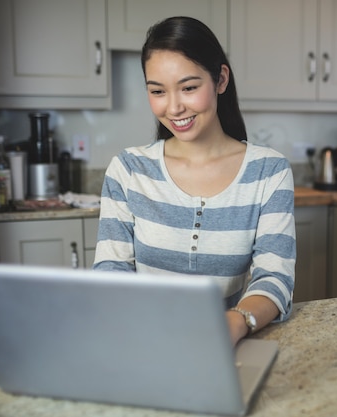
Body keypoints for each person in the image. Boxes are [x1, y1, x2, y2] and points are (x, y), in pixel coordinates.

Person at [93, 16, 296, 346]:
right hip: (141, 341)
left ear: (220, 79)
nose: (174, 107)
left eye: (189, 88)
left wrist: (237, 322)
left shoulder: (268, 171)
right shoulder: (128, 170)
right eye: (158, 91)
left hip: (222, 346)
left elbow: (274, 278)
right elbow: (110, 271)